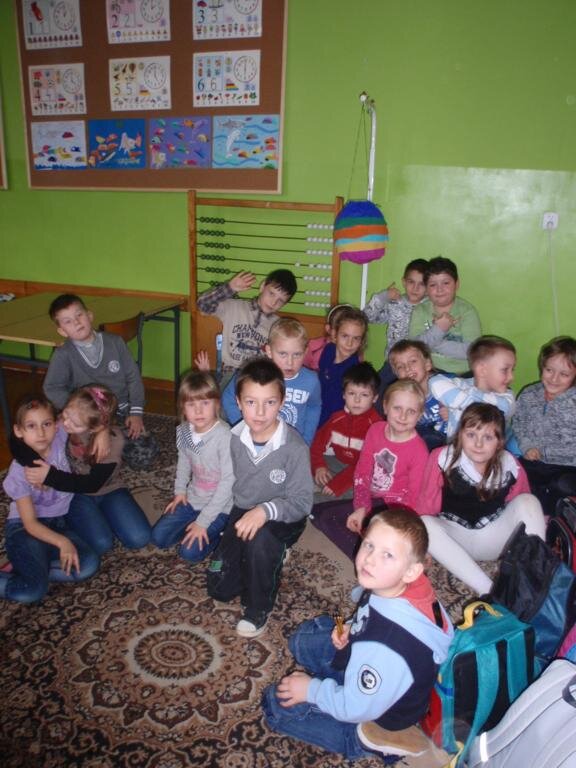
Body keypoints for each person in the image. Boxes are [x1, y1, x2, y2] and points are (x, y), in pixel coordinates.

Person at [261, 507, 453, 761]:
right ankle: (335, 680)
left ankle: (365, 742)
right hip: (372, 657)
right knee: (301, 641)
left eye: (387, 555)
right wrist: (351, 628)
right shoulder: (402, 584)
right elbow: (371, 613)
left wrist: (312, 690)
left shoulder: (386, 646)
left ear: (411, 571)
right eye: (369, 545)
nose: (370, 559)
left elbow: (354, 707)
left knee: (275, 703)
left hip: (379, 711)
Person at [207, 358, 313, 638]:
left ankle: (258, 608)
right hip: (243, 509)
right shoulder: (233, 438)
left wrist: (265, 511)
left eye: (270, 402)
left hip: (285, 516)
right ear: (239, 403)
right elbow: (228, 482)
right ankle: (266, 557)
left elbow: (302, 503)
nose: (260, 412)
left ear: (281, 402)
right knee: (220, 588)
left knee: (261, 542)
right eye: (251, 402)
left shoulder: (295, 448)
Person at [417, 403, 545, 595]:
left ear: (499, 442)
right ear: (460, 434)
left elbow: (524, 512)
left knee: (529, 500)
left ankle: (537, 579)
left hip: (495, 541)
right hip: (455, 540)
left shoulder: (510, 465)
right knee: (424, 524)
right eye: (471, 435)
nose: (478, 444)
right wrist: (421, 547)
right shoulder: (442, 458)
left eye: (488, 437)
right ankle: (488, 590)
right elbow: (425, 504)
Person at [22, 386, 152, 555]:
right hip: (74, 494)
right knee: (102, 544)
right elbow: (20, 440)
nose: (65, 423)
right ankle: (76, 521)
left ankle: (85, 521)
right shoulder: (62, 422)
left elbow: (91, 484)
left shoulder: (113, 442)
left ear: (94, 428)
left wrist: (50, 476)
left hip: (108, 489)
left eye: (75, 424)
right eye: (66, 414)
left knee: (140, 538)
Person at [1, 395, 99, 603]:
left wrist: (104, 433)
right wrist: (63, 542)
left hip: (58, 523)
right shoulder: (19, 472)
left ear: (56, 425)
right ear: (19, 431)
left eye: (46, 424)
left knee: (89, 564)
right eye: (31, 426)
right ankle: (31, 572)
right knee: (32, 591)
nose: (41, 433)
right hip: (25, 529)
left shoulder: (60, 436)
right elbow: (30, 524)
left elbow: (85, 415)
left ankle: (31, 566)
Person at [43, 294, 156, 469]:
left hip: (121, 411)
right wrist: (77, 410)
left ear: (89, 316)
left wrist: (136, 412)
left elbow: (133, 377)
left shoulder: (115, 342)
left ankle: (112, 442)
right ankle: (103, 445)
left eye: (79, 315)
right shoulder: (63, 354)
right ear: (62, 331)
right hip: (87, 418)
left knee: (144, 455)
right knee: (84, 454)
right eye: (68, 321)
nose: (76, 322)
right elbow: (51, 388)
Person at [151, 371, 234, 563]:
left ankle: (223, 535)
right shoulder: (184, 430)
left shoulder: (225, 437)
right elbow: (184, 461)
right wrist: (180, 492)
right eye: (191, 404)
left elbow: (228, 483)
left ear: (217, 404)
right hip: (193, 499)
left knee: (188, 553)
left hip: (221, 507)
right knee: (158, 538)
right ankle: (194, 527)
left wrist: (203, 522)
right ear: (183, 407)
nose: (198, 411)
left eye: (205, 403)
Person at [221, 318, 321, 445]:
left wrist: (306, 439)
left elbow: (314, 407)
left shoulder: (311, 381)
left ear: (305, 352)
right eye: (283, 354)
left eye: (297, 354)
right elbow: (228, 398)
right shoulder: (253, 374)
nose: (290, 362)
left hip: (292, 443)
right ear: (269, 351)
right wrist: (243, 426)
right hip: (255, 438)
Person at [347, 380, 429, 535]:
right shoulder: (375, 430)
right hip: (373, 496)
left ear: (419, 415)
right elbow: (362, 471)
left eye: (411, 411)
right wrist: (362, 507)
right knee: (326, 516)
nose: (403, 416)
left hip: (399, 506)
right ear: (385, 407)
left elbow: (414, 497)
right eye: (397, 408)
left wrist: (394, 522)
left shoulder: (419, 451)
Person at [512, 336, 576, 516]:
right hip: (534, 461)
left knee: (563, 486)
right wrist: (527, 446)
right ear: (542, 366)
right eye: (549, 370)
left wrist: (546, 451)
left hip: (568, 467)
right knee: (511, 476)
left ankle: (554, 521)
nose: (554, 379)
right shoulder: (529, 394)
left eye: (564, 374)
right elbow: (519, 423)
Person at [196, 268, 297, 382]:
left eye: (280, 301)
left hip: (258, 378)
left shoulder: (278, 326)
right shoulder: (234, 307)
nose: (273, 302)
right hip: (230, 374)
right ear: (262, 286)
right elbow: (202, 304)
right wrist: (229, 288)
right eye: (271, 293)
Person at [311, 362, 382, 500]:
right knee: (303, 462)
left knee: (362, 489)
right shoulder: (336, 419)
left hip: (364, 471)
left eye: (364, 395)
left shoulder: (376, 426)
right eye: (351, 393)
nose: (357, 400)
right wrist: (319, 466)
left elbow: (368, 464)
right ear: (344, 395)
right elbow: (316, 445)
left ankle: (318, 500)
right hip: (338, 463)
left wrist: (339, 484)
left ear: (374, 398)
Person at [429, 335, 516, 438]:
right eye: (505, 370)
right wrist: (460, 405)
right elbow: (434, 381)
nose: (511, 377)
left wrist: (459, 406)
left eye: (512, 370)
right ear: (482, 370)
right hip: (456, 447)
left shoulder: (507, 398)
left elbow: (501, 409)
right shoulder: (461, 384)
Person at [408, 256, 481, 374]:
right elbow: (415, 348)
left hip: (462, 373)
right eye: (433, 285)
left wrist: (435, 340)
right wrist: (439, 329)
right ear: (426, 288)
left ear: (456, 284)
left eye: (446, 283)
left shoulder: (467, 311)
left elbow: (472, 351)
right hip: (430, 371)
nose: (439, 289)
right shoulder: (420, 311)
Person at [365, 259, 428, 393]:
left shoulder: (431, 308)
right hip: (393, 364)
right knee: (376, 392)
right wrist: (384, 296)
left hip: (418, 366)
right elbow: (368, 317)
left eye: (422, 284)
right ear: (404, 282)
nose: (415, 288)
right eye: (411, 282)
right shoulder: (394, 304)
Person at [388, 339, 448, 449]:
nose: (407, 368)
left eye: (413, 361)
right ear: (397, 375)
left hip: (456, 439)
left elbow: (473, 401)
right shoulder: (402, 398)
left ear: (427, 364)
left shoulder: (446, 383)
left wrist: (455, 412)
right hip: (429, 444)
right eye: (400, 366)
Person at [318, 306, 368, 426]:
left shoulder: (355, 371)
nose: (349, 343)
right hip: (318, 413)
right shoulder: (328, 350)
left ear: (361, 341)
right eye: (345, 336)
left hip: (336, 422)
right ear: (334, 334)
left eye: (356, 338)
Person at [303, 303, 353, 372]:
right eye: (337, 330)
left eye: (347, 334)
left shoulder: (354, 350)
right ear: (328, 329)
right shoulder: (312, 346)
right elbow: (302, 369)